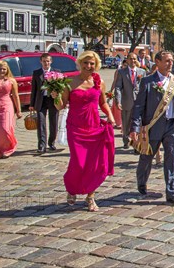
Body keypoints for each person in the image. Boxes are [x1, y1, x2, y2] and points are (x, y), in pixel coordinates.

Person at [52, 51, 116, 212]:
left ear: (97, 65)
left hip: (94, 126)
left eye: (92, 63)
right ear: (80, 64)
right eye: (86, 63)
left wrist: (110, 116)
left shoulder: (99, 82)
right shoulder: (70, 82)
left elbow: (103, 103)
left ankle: (90, 197)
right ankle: (72, 188)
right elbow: (60, 106)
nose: (89, 66)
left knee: (94, 165)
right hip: (75, 127)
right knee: (79, 162)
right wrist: (55, 96)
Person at [130, 51, 174, 206]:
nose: (170, 63)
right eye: (167, 61)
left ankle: (171, 192)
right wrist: (135, 128)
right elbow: (138, 106)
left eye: (172, 61)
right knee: (146, 158)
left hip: (171, 126)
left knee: (171, 158)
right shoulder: (148, 82)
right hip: (153, 126)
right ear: (157, 62)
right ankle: (141, 182)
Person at [29, 53, 60, 153]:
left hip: (52, 100)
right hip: (41, 100)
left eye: (48, 61)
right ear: (40, 61)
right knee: (41, 123)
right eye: (44, 61)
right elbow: (34, 89)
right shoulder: (37, 73)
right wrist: (31, 104)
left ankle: (51, 143)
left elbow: (61, 89)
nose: (46, 63)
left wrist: (61, 100)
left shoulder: (57, 72)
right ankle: (42, 145)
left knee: (53, 122)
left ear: (51, 61)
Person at [115, 53, 147, 149]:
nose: (132, 61)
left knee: (138, 123)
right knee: (126, 123)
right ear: (127, 60)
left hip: (138, 102)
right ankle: (126, 139)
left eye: (134, 59)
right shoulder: (122, 72)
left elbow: (145, 87)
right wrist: (118, 100)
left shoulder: (142, 72)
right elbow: (118, 87)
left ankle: (136, 143)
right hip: (126, 101)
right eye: (130, 59)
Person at [109, 59, 126, 130]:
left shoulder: (129, 71)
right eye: (124, 65)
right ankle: (118, 123)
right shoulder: (118, 71)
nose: (125, 66)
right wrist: (111, 90)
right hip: (119, 91)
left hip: (126, 91)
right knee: (117, 107)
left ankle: (122, 122)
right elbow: (115, 81)